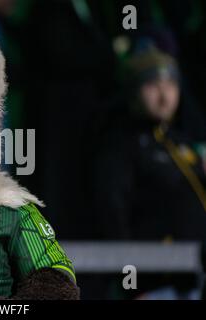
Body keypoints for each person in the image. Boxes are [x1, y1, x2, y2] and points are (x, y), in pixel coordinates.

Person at [94, 46, 206, 299]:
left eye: (171, 85)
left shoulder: (181, 142)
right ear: (133, 92)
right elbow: (113, 215)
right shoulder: (120, 146)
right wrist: (130, 284)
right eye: (153, 85)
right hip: (154, 285)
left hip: (193, 279)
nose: (165, 95)